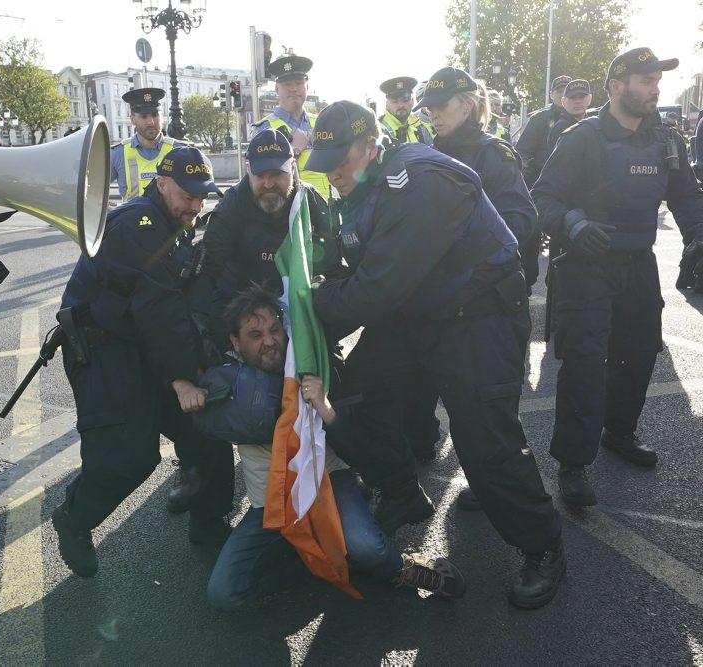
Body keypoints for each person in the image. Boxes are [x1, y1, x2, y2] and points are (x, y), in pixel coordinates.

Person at [305, 100, 565, 609]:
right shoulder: (367, 186)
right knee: (358, 391)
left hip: (479, 316)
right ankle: (401, 489)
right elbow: (360, 270)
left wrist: (302, 305)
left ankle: (543, 546)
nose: (332, 172)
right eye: (325, 160)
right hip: (423, 311)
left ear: (367, 146)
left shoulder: (419, 180)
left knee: (484, 442)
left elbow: (373, 289)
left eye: (340, 157)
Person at [199, 286, 465, 609]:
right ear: (236, 343)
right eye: (255, 335)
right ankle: (325, 564)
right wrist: (182, 385)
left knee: (368, 547)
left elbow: (358, 454)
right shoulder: (225, 384)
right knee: (223, 593)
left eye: (273, 330)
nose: (269, 341)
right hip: (271, 505)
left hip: (329, 483)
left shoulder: (312, 367)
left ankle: (404, 568)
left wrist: (327, 410)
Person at [52, 146, 235, 578]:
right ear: (162, 182)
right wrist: (182, 379)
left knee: (206, 430)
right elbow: (159, 312)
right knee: (128, 457)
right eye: (188, 195)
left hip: (141, 342)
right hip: (101, 350)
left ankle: (208, 526)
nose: (196, 205)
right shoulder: (138, 225)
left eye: (202, 196)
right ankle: (74, 519)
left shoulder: (170, 221)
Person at [531, 48, 703, 506]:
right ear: (616, 86)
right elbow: (541, 197)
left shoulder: (666, 140)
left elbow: (687, 197)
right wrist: (572, 223)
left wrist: (698, 237)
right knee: (585, 365)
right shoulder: (581, 138)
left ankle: (619, 432)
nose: (655, 89)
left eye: (656, 80)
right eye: (645, 81)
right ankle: (572, 462)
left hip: (639, 265)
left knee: (640, 352)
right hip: (586, 269)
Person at [410, 67, 538, 509]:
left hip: (487, 306)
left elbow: (521, 226)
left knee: (491, 422)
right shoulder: (429, 154)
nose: (431, 113)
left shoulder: (493, 156)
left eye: (440, 106)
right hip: (445, 306)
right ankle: (482, 481)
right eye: (428, 107)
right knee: (460, 413)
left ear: (467, 105)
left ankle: (535, 534)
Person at [192, 128, 340, 343]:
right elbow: (207, 277)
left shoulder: (311, 204)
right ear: (248, 170)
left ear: (292, 168)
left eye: (277, 175)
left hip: (302, 313)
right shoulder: (230, 207)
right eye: (260, 176)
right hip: (242, 312)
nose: (268, 184)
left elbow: (334, 270)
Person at [516, 74, 572, 291]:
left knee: (563, 237)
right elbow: (523, 151)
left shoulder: (583, 119)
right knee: (531, 238)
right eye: (559, 91)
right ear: (552, 94)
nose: (563, 95)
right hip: (539, 186)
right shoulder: (539, 120)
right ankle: (526, 282)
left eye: (568, 91)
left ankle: (557, 283)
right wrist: (530, 177)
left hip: (567, 188)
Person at [252, 54, 332, 200]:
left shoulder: (322, 123)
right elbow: (261, 178)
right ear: (277, 89)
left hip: (325, 210)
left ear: (307, 86)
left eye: (299, 83)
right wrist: (294, 151)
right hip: (288, 211)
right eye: (287, 84)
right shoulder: (263, 129)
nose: (294, 88)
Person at [109, 87, 179, 201]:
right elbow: (93, 186)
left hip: (167, 219)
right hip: (132, 218)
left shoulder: (178, 150)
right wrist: (100, 205)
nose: (151, 122)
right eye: (144, 116)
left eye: (155, 115)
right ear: (132, 120)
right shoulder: (117, 154)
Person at [378, 76, 434, 145]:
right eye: (395, 101)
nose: (401, 105)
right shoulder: (379, 130)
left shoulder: (419, 125)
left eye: (405, 100)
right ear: (387, 105)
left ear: (412, 102)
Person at [547, 79, 592, 151]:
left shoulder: (593, 125)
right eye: (572, 97)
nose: (577, 101)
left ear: (589, 99)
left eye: (581, 97)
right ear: (563, 101)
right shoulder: (560, 128)